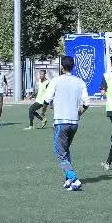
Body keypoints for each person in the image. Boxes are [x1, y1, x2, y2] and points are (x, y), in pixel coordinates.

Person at [42, 55, 90, 191]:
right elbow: (87, 103)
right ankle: (68, 179)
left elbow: (46, 99)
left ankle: (74, 178)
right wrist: (79, 113)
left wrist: (44, 112)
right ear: (73, 66)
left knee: (59, 152)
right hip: (74, 123)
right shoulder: (80, 82)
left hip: (61, 122)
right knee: (65, 150)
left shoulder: (56, 81)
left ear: (61, 67)